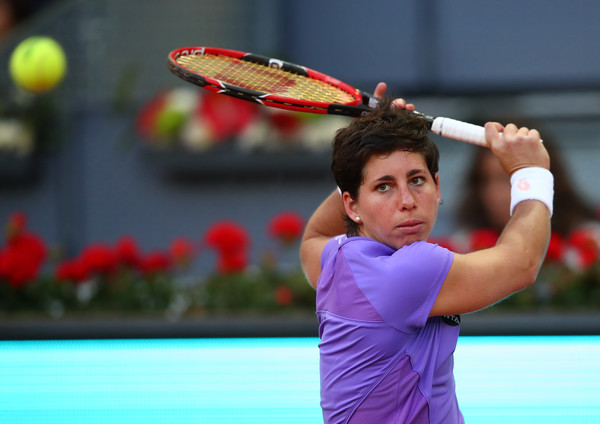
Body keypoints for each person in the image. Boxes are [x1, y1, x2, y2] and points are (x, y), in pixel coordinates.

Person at [299, 83, 553, 424]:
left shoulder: (337, 258)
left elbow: (314, 237)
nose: (407, 200)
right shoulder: (409, 271)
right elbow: (522, 263)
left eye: (416, 180)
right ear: (352, 205)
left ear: (437, 187)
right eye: (383, 187)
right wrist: (532, 172)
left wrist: (372, 143)